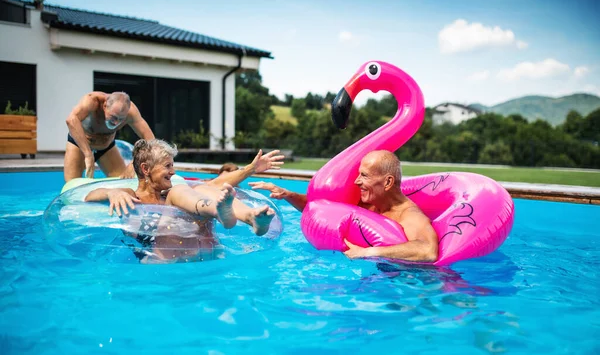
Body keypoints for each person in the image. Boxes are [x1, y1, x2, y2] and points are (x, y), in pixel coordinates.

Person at [84, 139, 285, 262]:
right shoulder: (132, 194)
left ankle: (250, 218)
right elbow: (89, 196)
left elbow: (216, 184)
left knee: (203, 187)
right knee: (181, 190)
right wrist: (112, 193)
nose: (173, 171)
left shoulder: (174, 192)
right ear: (146, 169)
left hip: (206, 256)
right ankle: (219, 211)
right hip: (159, 260)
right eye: (167, 166)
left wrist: (250, 169)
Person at [249, 150, 439, 263]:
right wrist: (288, 195)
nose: (357, 181)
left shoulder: (409, 215)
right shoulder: (369, 205)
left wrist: (366, 252)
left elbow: (427, 251)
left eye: (364, 176)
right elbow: (324, 212)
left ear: (388, 182)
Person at [65, 91, 155, 182]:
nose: (116, 122)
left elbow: (150, 139)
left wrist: (134, 164)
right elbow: (71, 120)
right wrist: (88, 154)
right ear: (104, 106)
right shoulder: (92, 101)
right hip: (79, 145)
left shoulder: (131, 111)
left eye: (121, 119)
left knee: (124, 182)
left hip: (106, 147)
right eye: (114, 117)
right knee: (72, 185)